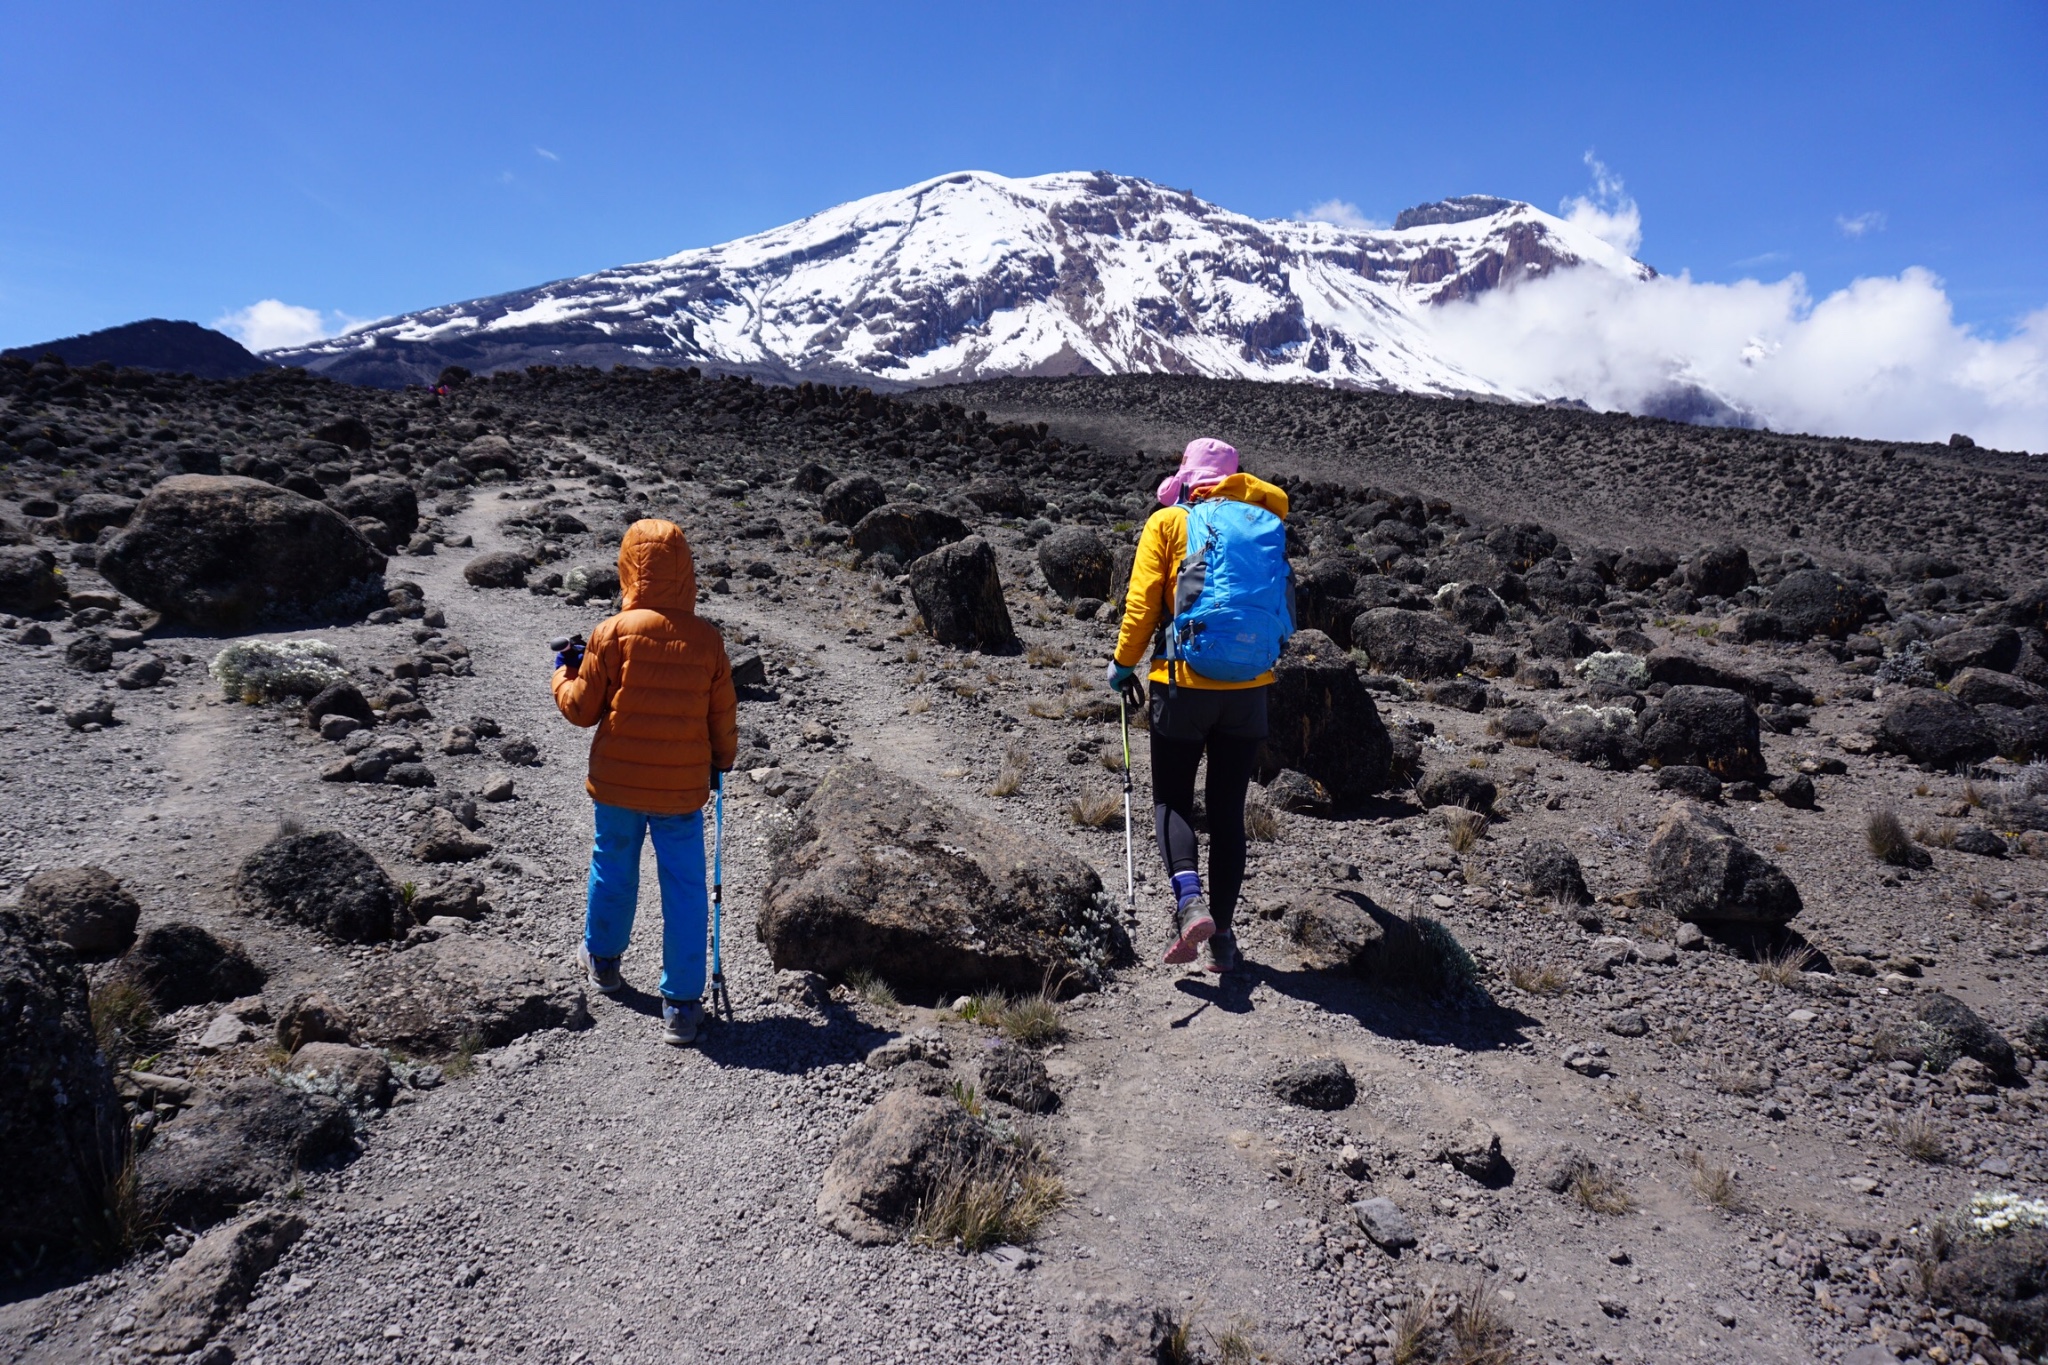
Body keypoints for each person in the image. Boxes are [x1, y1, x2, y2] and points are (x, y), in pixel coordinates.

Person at [1106, 438, 1291, 973]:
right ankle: (1224, 940)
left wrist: (1123, 664)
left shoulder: (1168, 524)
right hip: (1249, 688)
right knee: (1228, 812)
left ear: (1188, 476)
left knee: (1172, 802)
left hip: (1183, 683)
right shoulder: (1262, 526)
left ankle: (1189, 903)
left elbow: (1142, 603)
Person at [553, 518, 738, 1045]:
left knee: (613, 866)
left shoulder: (610, 633)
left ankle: (604, 963)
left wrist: (562, 673)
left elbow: (583, 710)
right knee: (684, 887)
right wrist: (722, 759)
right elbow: (721, 717)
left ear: (630, 569)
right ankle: (681, 1006)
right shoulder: (708, 641)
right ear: (685, 572)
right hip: (681, 792)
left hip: (616, 787)